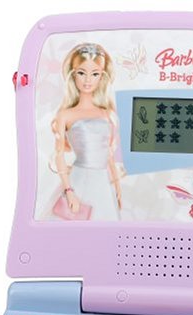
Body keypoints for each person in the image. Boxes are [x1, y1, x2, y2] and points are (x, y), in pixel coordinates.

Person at [50, 42, 122, 220]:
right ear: (73, 74)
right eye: (81, 73)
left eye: (95, 74)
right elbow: (59, 155)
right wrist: (69, 191)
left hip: (103, 183)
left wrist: (117, 186)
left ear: (102, 77)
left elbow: (108, 155)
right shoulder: (65, 115)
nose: (88, 80)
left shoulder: (107, 114)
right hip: (79, 180)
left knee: (105, 223)